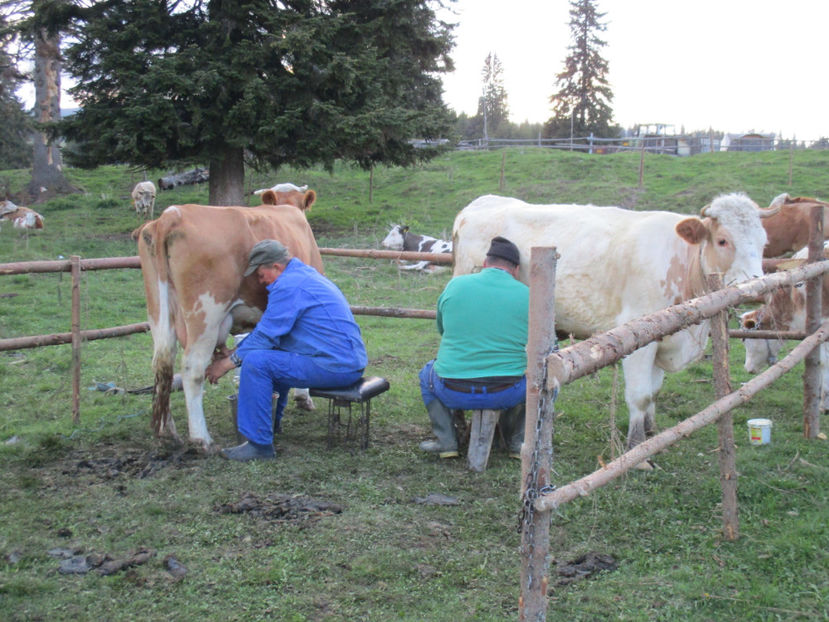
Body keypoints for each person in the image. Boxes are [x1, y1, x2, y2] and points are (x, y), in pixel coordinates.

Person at [207, 239, 368, 461]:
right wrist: (236, 351)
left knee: (257, 363)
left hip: (335, 365)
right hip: (345, 360)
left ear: (276, 266)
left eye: (260, 273)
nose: (259, 280)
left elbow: (266, 334)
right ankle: (271, 425)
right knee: (271, 358)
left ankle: (259, 446)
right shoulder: (304, 276)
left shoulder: (288, 286)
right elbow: (271, 334)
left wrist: (227, 363)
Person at [418, 236, 529, 459]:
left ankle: (446, 441)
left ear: (485, 263)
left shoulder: (455, 285)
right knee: (546, 382)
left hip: (453, 390)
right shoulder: (529, 295)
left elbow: (443, 329)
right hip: (507, 391)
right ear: (516, 269)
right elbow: (543, 344)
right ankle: (517, 441)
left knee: (427, 375)